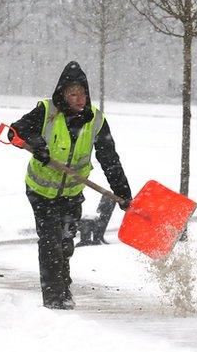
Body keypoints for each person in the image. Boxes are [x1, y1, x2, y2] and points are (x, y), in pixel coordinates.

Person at [9, 60, 132, 310]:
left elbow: (109, 158)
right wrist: (38, 145)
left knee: (65, 243)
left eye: (83, 93)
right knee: (50, 241)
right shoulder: (46, 111)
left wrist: (123, 192)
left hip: (72, 192)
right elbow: (15, 132)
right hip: (41, 191)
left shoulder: (95, 119)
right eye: (73, 93)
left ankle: (63, 289)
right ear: (63, 94)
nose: (79, 98)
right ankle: (55, 298)